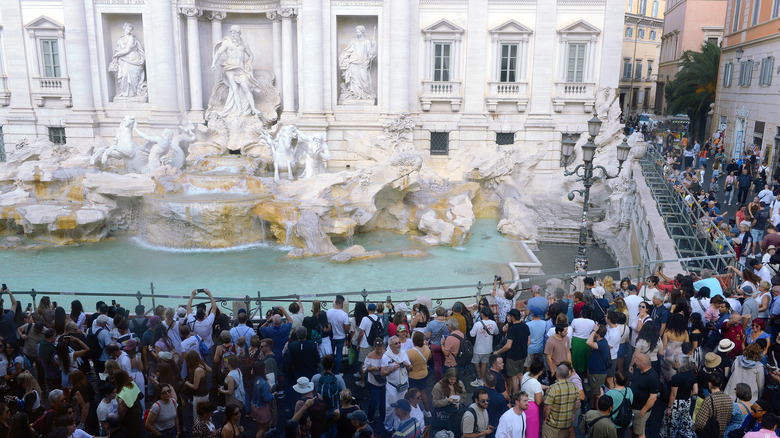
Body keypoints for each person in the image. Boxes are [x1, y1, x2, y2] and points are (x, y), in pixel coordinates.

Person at [493, 309, 529, 396]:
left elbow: (508, 345)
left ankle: (516, 396)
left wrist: (498, 351)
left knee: (513, 378)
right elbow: (529, 341)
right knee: (520, 375)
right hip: (523, 355)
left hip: (513, 357)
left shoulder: (512, 329)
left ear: (512, 317)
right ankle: (524, 394)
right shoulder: (525, 326)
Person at [660, 354, 696, 438]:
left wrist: (668, 407)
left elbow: (673, 394)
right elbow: (695, 391)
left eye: (676, 361)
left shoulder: (676, 378)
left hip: (676, 404)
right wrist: (686, 394)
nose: (674, 363)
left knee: (672, 423)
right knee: (685, 421)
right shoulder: (692, 375)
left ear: (681, 364)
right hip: (687, 402)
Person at [338, 25, 377, 101]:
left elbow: (370, 54)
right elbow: (347, 51)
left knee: (364, 79)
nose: (357, 33)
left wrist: (374, 45)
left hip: (363, 63)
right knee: (354, 81)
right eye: (356, 32)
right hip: (353, 63)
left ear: (362, 31)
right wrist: (342, 58)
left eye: (358, 31)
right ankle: (355, 95)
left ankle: (365, 95)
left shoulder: (367, 41)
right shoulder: (353, 41)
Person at [381, 335, 411, 431]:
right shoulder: (386, 357)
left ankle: (399, 427)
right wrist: (391, 370)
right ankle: (388, 427)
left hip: (404, 386)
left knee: (403, 407)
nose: (399, 345)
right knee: (390, 408)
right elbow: (382, 373)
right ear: (390, 346)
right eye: (396, 343)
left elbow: (411, 369)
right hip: (392, 387)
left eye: (399, 342)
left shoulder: (404, 353)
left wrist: (408, 365)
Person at [542, 364, 579, 438]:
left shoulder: (553, 388)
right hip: (566, 424)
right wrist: (573, 413)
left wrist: (544, 420)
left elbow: (547, 408)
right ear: (568, 374)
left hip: (552, 425)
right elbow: (577, 403)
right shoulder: (574, 386)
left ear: (557, 374)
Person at [109, 23, 146, 98]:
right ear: (124, 28)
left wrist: (117, 54)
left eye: (130, 30)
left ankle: (132, 93)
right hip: (123, 60)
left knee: (132, 76)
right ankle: (124, 92)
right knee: (124, 75)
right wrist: (116, 55)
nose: (129, 31)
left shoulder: (131, 38)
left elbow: (127, 49)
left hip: (133, 58)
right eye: (127, 29)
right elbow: (117, 49)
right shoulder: (120, 39)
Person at [694, 373, 733, 437]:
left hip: (709, 434)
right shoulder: (729, 399)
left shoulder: (709, 400)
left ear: (709, 384)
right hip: (722, 433)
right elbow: (729, 418)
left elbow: (700, 423)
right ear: (720, 385)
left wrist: (694, 427)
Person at [630, 354, 659, 438]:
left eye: (637, 361)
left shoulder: (653, 377)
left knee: (640, 433)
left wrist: (643, 411)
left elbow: (653, 397)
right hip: (632, 407)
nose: (635, 362)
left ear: (643, 364)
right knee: (632, 429)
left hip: (640, 410)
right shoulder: (637, 371)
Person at [470, 307, 498, 387]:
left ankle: (479, 379)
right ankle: (482, 379)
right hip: (488, 348)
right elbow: (496, 333)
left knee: (476, 363)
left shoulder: (477, 324)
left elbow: (472, 334)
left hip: (478, 348)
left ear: (482, 314)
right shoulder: (493, 323)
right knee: (484, 363)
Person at [406, 332, 431, 416]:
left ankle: (414, 413)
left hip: (413, 376)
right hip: (424, 374)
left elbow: (407, 364)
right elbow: (429, 357)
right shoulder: (427, 348)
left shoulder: (410, 352)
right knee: (423, 393)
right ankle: (427, 411)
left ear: (413, 340)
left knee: (412, 395)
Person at [586, 324, 610, 409]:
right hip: (595, 372)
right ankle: (593, 408)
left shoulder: (602, 344)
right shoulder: (601, 342)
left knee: (598, 395)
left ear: (598, 334)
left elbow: (588, 342)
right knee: (594, 392)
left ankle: (597, 411)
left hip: (598, 373)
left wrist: (594, 330)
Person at [519, 356, 543, 438]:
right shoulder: (536, 384)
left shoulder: (526, 375)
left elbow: (534, 386)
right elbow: (538, 402)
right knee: (532, 431)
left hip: (523, 404)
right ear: (540, 372)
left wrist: (547, 387)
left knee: (523, 429)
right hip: (532, 410)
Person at [327, 296, 351, 376]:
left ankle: (330, 370)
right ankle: (337, 372)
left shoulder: (328, 312)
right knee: (339, 354)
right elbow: (346, 328)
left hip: (331, 337)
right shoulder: (344, 315)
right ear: (342, 303)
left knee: (331, 354)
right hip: (341, 337)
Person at [605, 371, 633, 438]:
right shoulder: (629, 391)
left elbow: (604, 408)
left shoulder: (610, 394)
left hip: (612, 422)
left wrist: (602, 395)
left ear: (614, 379)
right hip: (623, 422)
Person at [424, 307, 449, 381]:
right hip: (445, 344)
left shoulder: (431, 323)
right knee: (445, 362)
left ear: (437, 314)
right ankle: (446, 377)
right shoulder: (448, 323)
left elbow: (427, 336)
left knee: (437, 363)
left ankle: (438, 380)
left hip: (435, 345)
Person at [250, 361, 273, 438]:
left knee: (259, 426)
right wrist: (273, 395)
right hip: (262, 408)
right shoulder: (264, 383)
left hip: (254, 406)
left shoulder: (254, 380)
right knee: (264, 428)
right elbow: (267, 398)